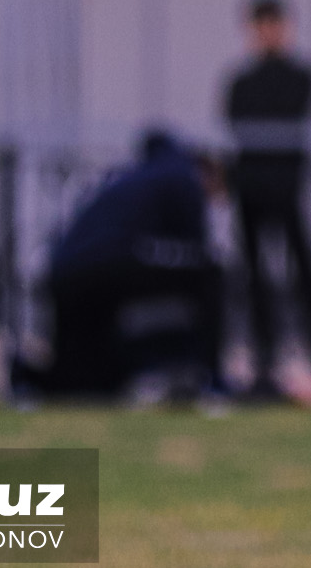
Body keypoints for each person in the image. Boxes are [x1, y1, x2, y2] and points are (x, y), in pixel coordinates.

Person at [19, 129, 226, 403]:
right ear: (207, 172)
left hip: (66, 271)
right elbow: (195, 248)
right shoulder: (183, 176)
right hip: (103, 265)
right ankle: (207, 376)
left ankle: (27, 376)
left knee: (81, 380)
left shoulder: (137, 175)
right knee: (209, 275)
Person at [224, 0, 311, 401]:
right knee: (256, 279)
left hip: (287, 189)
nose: (268, 33)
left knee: (305, 274)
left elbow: (293, 114)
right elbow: (239, 122)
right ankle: (264, 360)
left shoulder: (302, 77)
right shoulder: (241, 81)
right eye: (261, 26)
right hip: (253, 190)